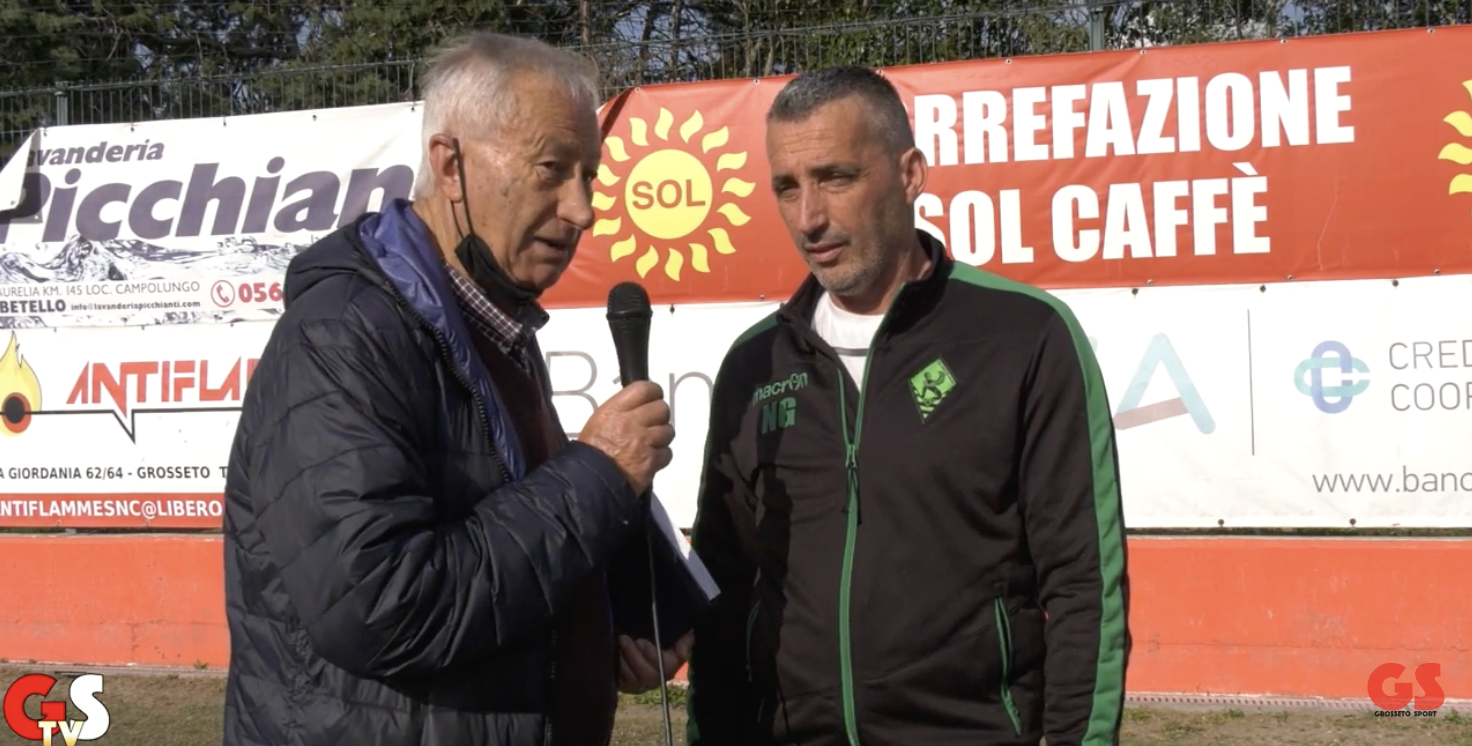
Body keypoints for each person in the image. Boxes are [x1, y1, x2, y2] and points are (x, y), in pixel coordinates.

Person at [220, 32, 691, 746]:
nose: (582, 209)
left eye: (589, 176)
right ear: (450, 166)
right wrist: (596, 475)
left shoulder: (493, 329)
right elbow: (379, 606)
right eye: (551, 170)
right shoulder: (343, 334)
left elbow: (508, 564)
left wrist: (603, 629)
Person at [684, 65, 1130, 746]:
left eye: (836, 178)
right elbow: (723, 591)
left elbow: (1083, 583)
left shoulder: (1025, 336)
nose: (808, 217)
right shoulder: (755, 364)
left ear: (910, 174)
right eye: (787, 186)